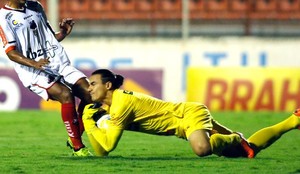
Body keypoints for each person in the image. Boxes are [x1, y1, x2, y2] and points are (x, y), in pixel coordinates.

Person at [82, 68, 300, 158]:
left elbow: (108, 145)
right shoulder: (109, 108)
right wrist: (88, 119)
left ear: (108, 86)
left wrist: (88, 123)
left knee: (202, 149)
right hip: (182, 126)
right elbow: (102, 153)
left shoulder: (121, 104)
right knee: (248, 152)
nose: (89, 88)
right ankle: (293, 121)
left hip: (188, 114)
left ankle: (236, 137)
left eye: (93, 84)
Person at [0, 0, 92, 156]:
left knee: (90, 93)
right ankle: (78, 147)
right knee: (66, 95)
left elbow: (49, 38)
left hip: (56, 62)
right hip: (33, 71)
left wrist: (63, 34)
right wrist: (34, 64)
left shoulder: (36, 7)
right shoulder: (4, 18)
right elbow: (11, 52)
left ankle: (73, 136)